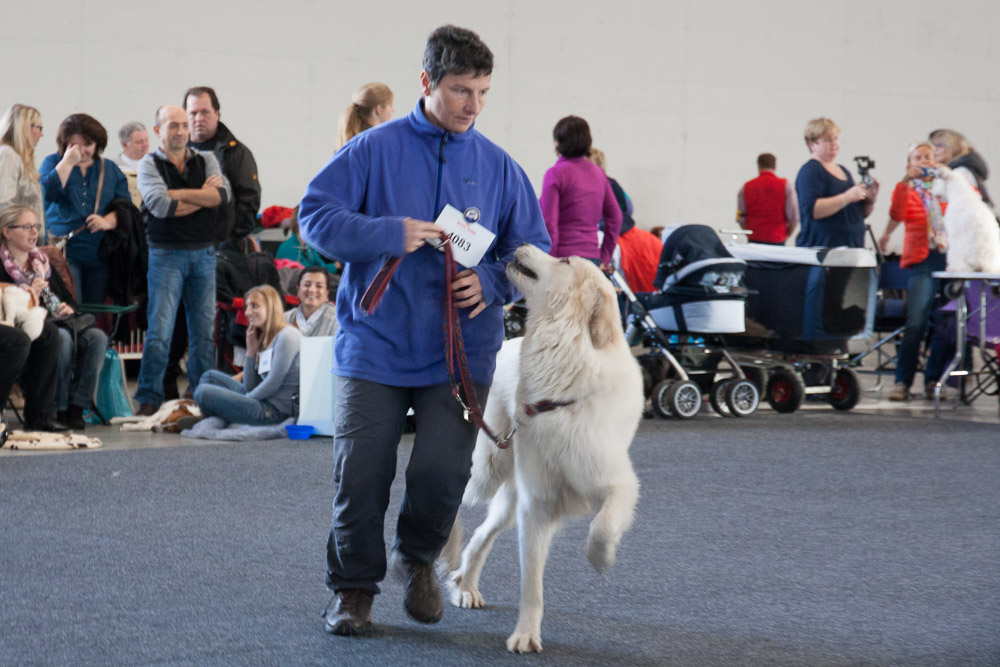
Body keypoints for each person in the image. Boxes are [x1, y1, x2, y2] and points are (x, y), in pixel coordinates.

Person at [299, 24, 550, 637]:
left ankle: (417, 561)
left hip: (461, 354)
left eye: (483, 92)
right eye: (461, 90)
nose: (473, 105)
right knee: (360, 473)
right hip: (374, 347)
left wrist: (492, 284)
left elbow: (535, 252)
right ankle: (353, 591)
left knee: (443, 474)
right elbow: (314, 217)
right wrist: (389, 231)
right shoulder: (371, 150)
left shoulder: (499, 167)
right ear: (426, 82)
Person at [134, 105, 231, 416]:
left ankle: (203, 396)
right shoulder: (148, 164)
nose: (180, 130)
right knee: (160, 332)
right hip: (166, 255)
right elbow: (160, 206)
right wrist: (200, 196)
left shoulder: (207, 159)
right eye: (172, 125)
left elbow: (221, 198)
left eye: (183, 124)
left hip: (204, 254)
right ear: (158, 130)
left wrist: (181, 195)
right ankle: (149, 398)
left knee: (204, 333)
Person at [0, 206, 106, 430]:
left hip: (57, 320)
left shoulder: (42, 262)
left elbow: (68, 299)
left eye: (36, 227)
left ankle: (77, 407)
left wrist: (66, 307)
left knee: (97, 337)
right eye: (26, 227)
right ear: (7, 232)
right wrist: (30, 294)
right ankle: (57, 407)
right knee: (59, 337)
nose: (33, 232)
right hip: (19, 323)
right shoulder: (2, 265)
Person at [877, 143, 951, 402]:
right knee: (916, 322)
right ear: (909, 163)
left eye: (927, 156)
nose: (923, 161)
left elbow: (968, 202)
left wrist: (947, 175)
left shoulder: (947, 186)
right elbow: (896, 213)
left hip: (948, 259)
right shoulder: (907, 191)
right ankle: (902, 382)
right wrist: (904, 182)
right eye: (917, 157)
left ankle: (933, 380)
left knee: (946, 324)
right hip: (922, 260)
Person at [39, 114, 131, 305]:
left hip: (100, 253)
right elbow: (45, 195)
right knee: (72, 306)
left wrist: (108, 221)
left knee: (93, 311)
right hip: (65, 252)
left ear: (98, 144)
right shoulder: (53, 162)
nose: (82, 151)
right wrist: (67, 162)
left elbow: (126, 208)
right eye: (74, 145)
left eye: (87, 144)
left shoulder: (109, 169)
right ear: (65, 144)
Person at [193, 285, 301, 425]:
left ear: (271, 307)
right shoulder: (264, 337)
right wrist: (251, 351)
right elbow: (250, 386)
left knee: (203, 392)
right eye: (246, 307)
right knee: (208, 376)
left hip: (274, 412)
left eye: (254, 306)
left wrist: (246, 401)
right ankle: (215, 415)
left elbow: (273, 382)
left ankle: (211, 415)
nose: (248, 312)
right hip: (261, 400)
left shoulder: (288, 335)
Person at [540, 115, 621, 271]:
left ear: (558, 142)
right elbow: (616, 217)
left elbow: (549, 223)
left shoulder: (555, 174)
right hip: (592, 260)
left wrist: (549, 262)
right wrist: (604, 255)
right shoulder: (598, 174)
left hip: (563, 259)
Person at [184, 86, 261, 242]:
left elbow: (249, 198)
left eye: (205, 112)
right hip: (180, 243)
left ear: (217, 114)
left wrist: (230, 238)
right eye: (193, 113)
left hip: (220, 245)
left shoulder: (236, 153)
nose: (198, 118)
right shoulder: (173, 152)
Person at [795, 118, 878, 248]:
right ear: (812, 145)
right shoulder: (810, 171)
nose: (834, 143)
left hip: (851, 248)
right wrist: (847, 197)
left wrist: (869, 199)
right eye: (827, 140)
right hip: (823, 249)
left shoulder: (844, 170)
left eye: (836, 138)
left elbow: (858, 214)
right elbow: (813, 210)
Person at [587, 148, 661, 293]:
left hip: (610, 233)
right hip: (626, 229)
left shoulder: (594, 186)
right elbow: (629, 207)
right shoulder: (614, 185)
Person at [0, 104, 46, 241]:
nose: (42, 134)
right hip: (12, 243)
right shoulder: (8, 155)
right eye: (39, 128)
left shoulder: (19, 158)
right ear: (25, 128)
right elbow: (4, 204)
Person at [737, 153, 800, 245]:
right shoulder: (786, 186)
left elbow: (740, 216)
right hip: (778, 237)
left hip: (754, 237)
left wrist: (748, 232)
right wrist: (788, 234)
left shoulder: (746, 187)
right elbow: (794, 216)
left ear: (759, 165)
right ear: (775, 166)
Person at [929, 128, 995, 213]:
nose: (934, 149)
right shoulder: (956, 170)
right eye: (932, 145)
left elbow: (943, 198)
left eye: (940, 145)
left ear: (954, 147)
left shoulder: (961, 172)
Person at [276, 206, 341, 276]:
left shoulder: (307, 245)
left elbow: (321, 267)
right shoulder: (289, 249)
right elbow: (309, 274)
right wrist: (336, 265)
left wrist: (337, 265)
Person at [336, 82, 394, 149]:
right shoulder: (378, 141)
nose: (393, 110)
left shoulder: (348, 139)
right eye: (390, 105)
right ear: (379, 109)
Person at [285, 266, 337, 337]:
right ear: (298, 290)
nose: (312, 290)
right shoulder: (285, 318)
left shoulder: (336, 319)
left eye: (319, 286)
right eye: (307, 285)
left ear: (327, 293)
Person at [115, 121, 149, 207]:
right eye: (139, 142)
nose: (145, 145)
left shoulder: (154, 164)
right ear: (125, 145)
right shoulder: (114, 167)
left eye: (146, 140)